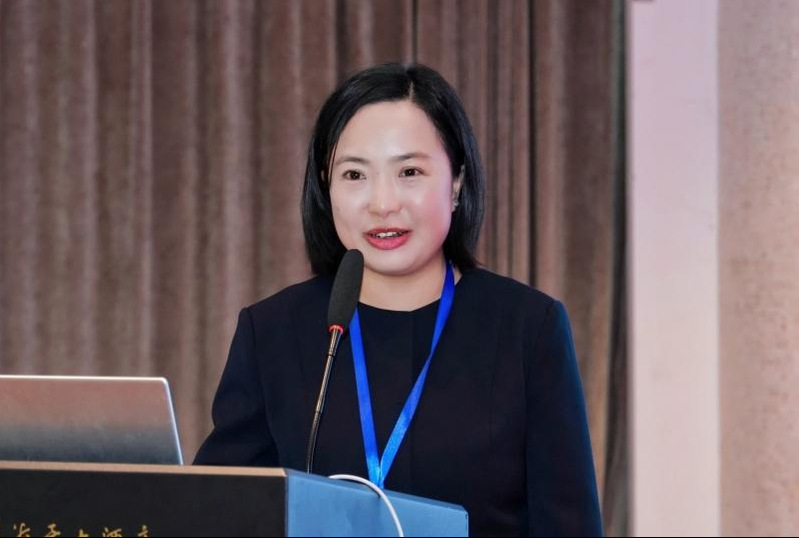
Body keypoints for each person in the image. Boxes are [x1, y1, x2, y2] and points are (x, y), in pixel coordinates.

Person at [194, 62, 603, 537]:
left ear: (456, 182)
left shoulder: (528, 328)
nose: (383, 203)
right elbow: (214, 513)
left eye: (409, 171)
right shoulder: (272, 332)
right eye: (354, 174)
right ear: (327, 188)